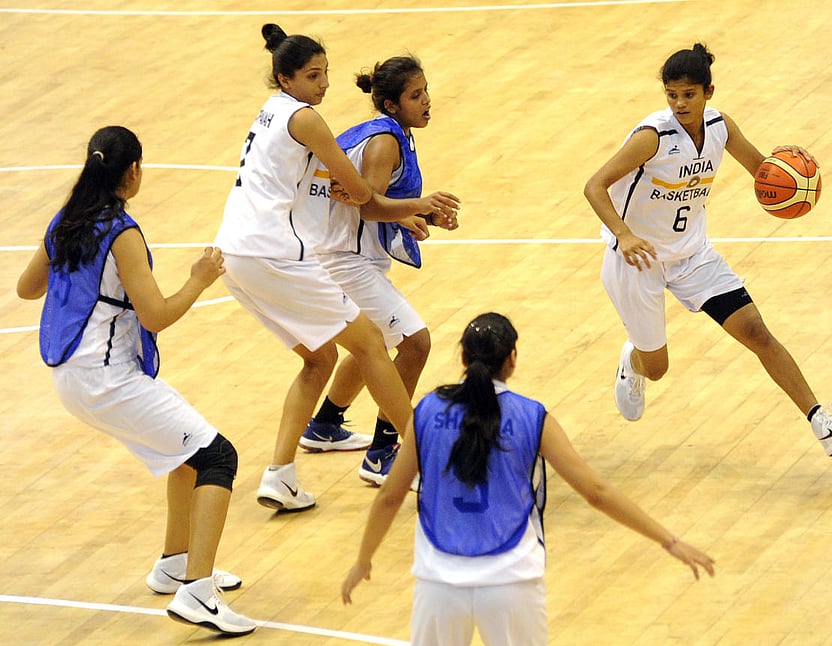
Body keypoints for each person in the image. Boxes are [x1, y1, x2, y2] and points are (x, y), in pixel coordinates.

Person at [341, 312, 715, 646]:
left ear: (463, 359)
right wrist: (669, 540)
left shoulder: (427, 412)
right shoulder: (531, 416)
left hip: (439, 584)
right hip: (511, 582)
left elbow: (389, 496)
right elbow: (596, 492)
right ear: (512, 361)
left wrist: (363, 560)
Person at [16, 126, 255, 635]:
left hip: (72, 378)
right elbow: (156, 316)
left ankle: (174, 563)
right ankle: (198, 593)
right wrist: (200, 277)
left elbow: (26, 288)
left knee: (187, 453)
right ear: (133, 172)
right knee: (219, 456)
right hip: (108, 379)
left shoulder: (66, 220)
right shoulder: (122, 233)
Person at [214, 25, 458, 511]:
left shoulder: (271, 111)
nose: (324, 84)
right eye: (313, 75)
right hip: (279, 251)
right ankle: (410, 458)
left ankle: (284, 470)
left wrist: (384, 203)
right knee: (387, 342)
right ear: (285, 78)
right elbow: (364, 196)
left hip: (233, 252)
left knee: (323, 357)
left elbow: (353, 190)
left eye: (325, 73)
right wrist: (415, 205)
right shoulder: (306, 120)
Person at [583, 43, 832, 456]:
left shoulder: (721, 127)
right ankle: (634, 362)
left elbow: (763, 172)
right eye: (672, 94)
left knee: (757, 332)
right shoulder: (652, 138)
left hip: (692, 254)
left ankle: (823, 423)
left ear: (709, 92)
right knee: (658, 369)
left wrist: (793, 173)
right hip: (637, 260)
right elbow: (594, 186)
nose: (680, 103)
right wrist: (623, 234)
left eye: (688, 94)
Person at [302, 55, 460, 486]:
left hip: (347, 251)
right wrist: (418, 205)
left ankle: (324, 425)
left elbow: (367, 202)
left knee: (370, 342)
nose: (426, 100)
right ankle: (383, 454)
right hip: (342, 258)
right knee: (414, 343)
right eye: (415, 95)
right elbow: (368, 203)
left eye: (426, 89)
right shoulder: (384, 142)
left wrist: (414, 216)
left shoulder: (393, 132)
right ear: (391, 105)